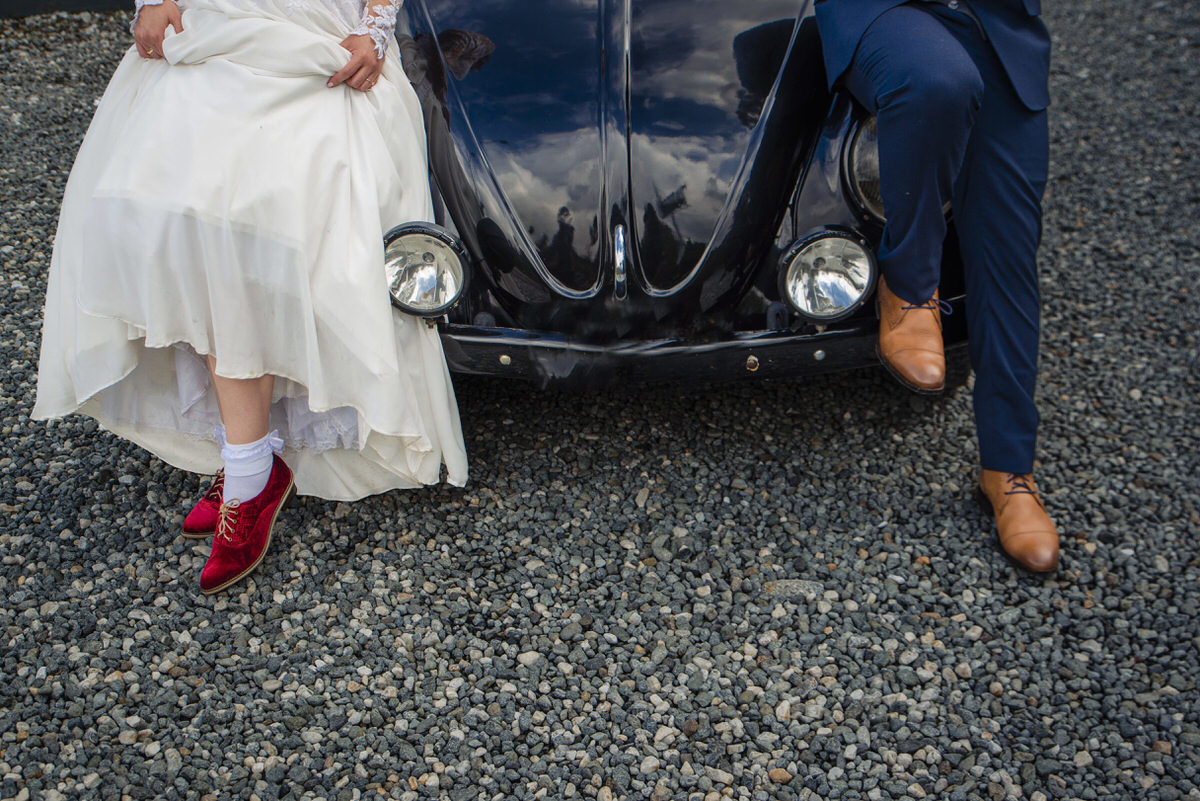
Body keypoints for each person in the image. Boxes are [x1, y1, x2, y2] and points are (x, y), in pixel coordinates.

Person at [33, 0, 468, 594]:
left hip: (312, 34)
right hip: (212, 22)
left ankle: (246, 475)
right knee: (175, 227)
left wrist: (374, 26)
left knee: (255, 237)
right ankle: (250, 461)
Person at [814, 0, 1059, 571]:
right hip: (888, 10)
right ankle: (908, 287)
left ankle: (1008, 470)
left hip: (996, 26)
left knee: (1010, 248)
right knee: (936, 80)